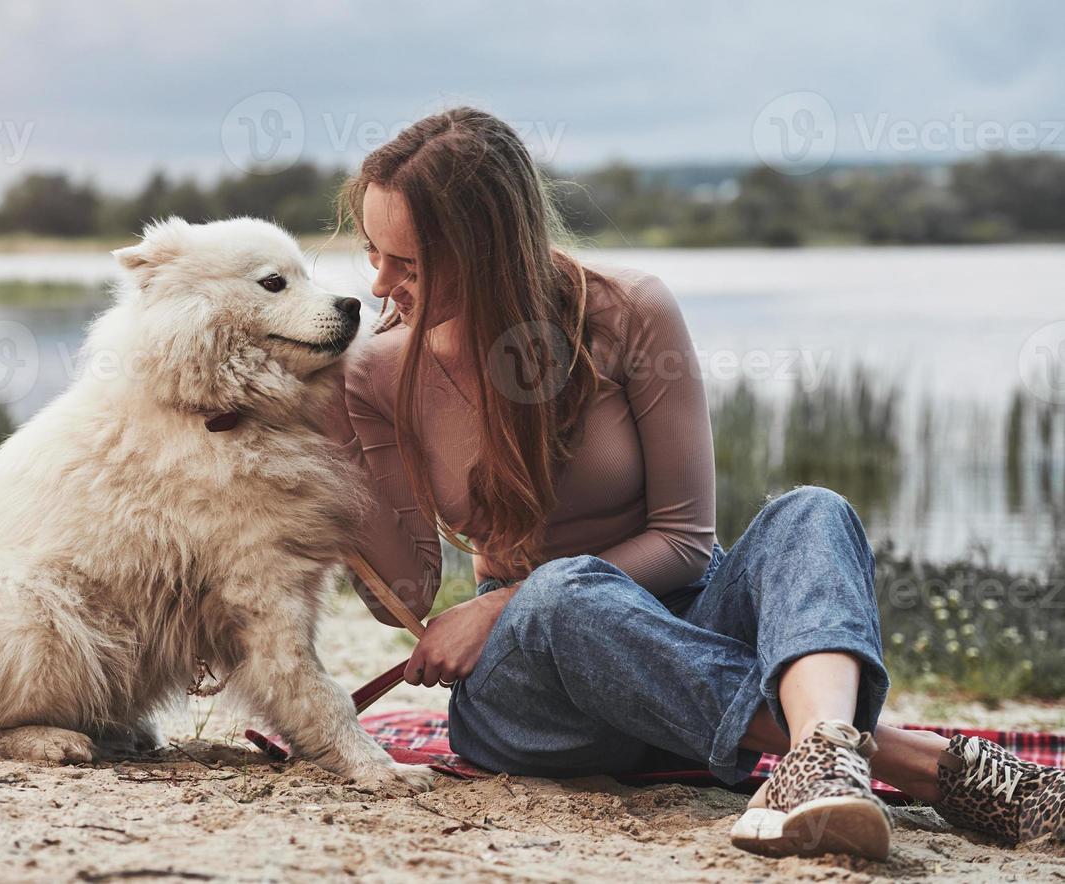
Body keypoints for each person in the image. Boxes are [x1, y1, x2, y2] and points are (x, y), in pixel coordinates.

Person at [321, 106, 1065, 860]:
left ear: (485, 251)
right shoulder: (378, 371)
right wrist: (325, 428)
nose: (380, 284)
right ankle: (918, 763)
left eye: (409, 263)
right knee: (559, 596)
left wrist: (517, 598)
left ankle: (822, 762)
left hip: (684, 621)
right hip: (541, 692)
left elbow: (683, 541)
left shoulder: (627, 311)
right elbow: (407, 595)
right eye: (374, 254)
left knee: (813, 512)